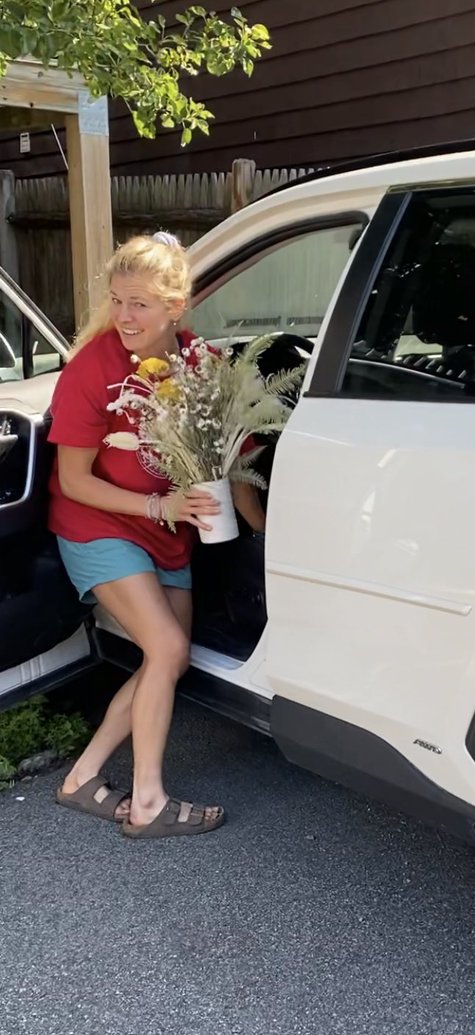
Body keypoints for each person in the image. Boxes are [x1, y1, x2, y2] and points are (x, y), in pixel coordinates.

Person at [49, 231, 229, 838]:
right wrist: (159, 506)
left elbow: (228, 452)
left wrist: (255, 522)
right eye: (118, 300)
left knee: (166, 660)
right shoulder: (91, 368)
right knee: (169, 650)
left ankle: (82, 778)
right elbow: (74, 481)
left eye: (140, 304)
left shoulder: (201, 361)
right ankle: (147, 802)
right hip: (100, 525)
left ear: (175, 306)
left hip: (166, 527)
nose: (124, 316)